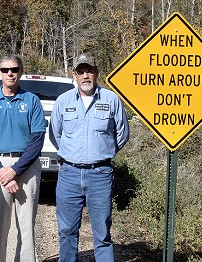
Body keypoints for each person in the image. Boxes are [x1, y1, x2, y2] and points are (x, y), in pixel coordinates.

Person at [49, 53, 130, 262]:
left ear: (97, 73)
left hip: (100, 174)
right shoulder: (63, 101)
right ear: (74, 75)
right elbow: (56, 134)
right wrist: (72, 154)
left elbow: (122, 134)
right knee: (67, 231)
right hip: (69, 174)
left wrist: (102, 152)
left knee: (102, 234)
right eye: (81, 71)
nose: (86, 76)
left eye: (89, 70)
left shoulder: (112, 100)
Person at [0, 54, 46, 262]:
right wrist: (1, 171)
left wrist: (15, 170)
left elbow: (37, 140)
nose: (10, 73)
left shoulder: (32, 101)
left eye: (14, 69)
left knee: (26, 229)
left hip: (27, 167)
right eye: (5, 70)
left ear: (21, 72)